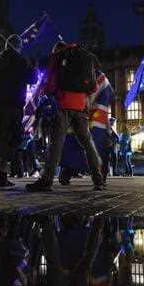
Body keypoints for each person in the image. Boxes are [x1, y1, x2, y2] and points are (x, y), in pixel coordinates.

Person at [27, 41, 103, 192]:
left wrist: (47, 93)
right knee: (88, 144)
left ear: (56, 50)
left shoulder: (59, 56)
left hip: (63, 104)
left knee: (56, 145)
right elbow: (93, 87)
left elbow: (51, 84)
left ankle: (46, 180)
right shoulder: (84, 56)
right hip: (81, 105)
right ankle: (98, 180)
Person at [0, 35, 35, 189]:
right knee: (9, 139)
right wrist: (32, 66)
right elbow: (32, 79)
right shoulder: (21, 61)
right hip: (13, 106)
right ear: (18, 46)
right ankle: (0, 175)